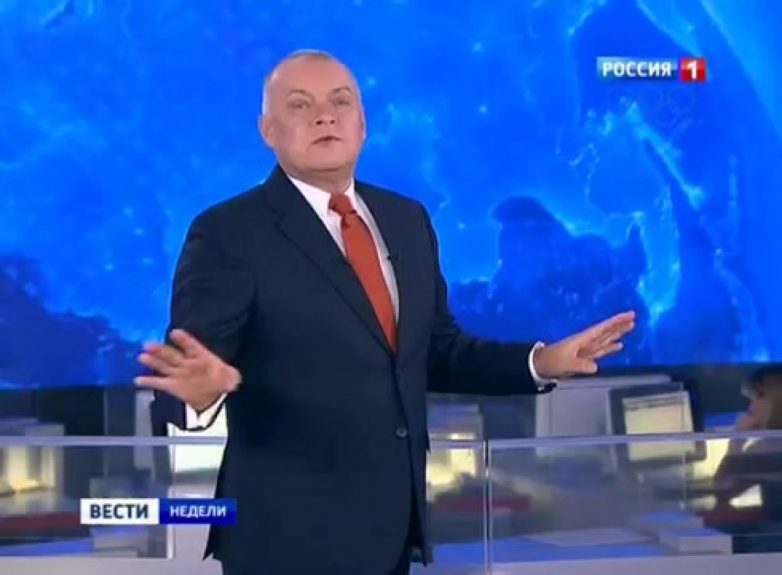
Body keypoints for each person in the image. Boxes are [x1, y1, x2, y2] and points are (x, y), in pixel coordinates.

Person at [135, 50, 635, 575]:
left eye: (340, 102)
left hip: (392, 531)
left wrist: (541, 362)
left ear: (362, 123)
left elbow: (435, 350)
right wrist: (197, 395)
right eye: (300, 105)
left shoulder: (405, 220)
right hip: (286, 541)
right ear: (268, 131)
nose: (325, 116)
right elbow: (184, 370)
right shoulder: (229, 232)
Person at [713, 365, 782, 551]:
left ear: (772, 402)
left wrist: (737, 439)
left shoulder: (769, 448)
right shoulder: (768, 446)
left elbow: (723, 489)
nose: (750, 408)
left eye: (753, 400)